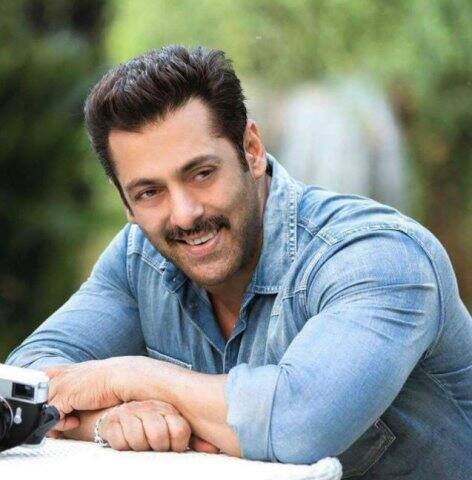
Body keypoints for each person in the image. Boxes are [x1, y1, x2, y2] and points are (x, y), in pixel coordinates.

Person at [6, 45, 472, 478]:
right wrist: (110, 420)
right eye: (149, 192)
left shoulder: (379, 258)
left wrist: (126, 377)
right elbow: (27, 382)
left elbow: (298, 425)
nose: (184, 214)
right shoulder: (139, 259)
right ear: (126, 203)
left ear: (251, 150)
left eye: (201, 173)